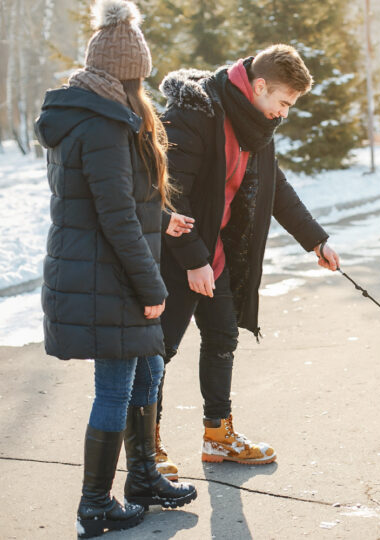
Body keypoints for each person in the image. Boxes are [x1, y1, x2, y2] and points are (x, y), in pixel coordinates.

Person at [34, 1, 196, 537]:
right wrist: (152, 286)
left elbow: (121, 198)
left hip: (110, 268)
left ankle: (144, 477)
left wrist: (164, 218)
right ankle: (95, 504)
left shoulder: (97, 114)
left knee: (147, 365)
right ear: (129, 76)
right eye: (141, 79)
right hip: (109, 276)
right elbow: (115, 215)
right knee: (115, 386)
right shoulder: (103, 125)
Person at [154, 44, 340, 477]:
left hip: (215, 252)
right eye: (283, 102)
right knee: (157, 351)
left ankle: (218, 437)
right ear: (259, 86)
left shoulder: (255, 124)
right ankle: (147, 447)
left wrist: (315, 240)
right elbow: (170, 192)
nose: (284, 113)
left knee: (221, 338)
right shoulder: (195, 112)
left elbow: (276, 187)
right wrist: (193, 260)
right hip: (173, 251)